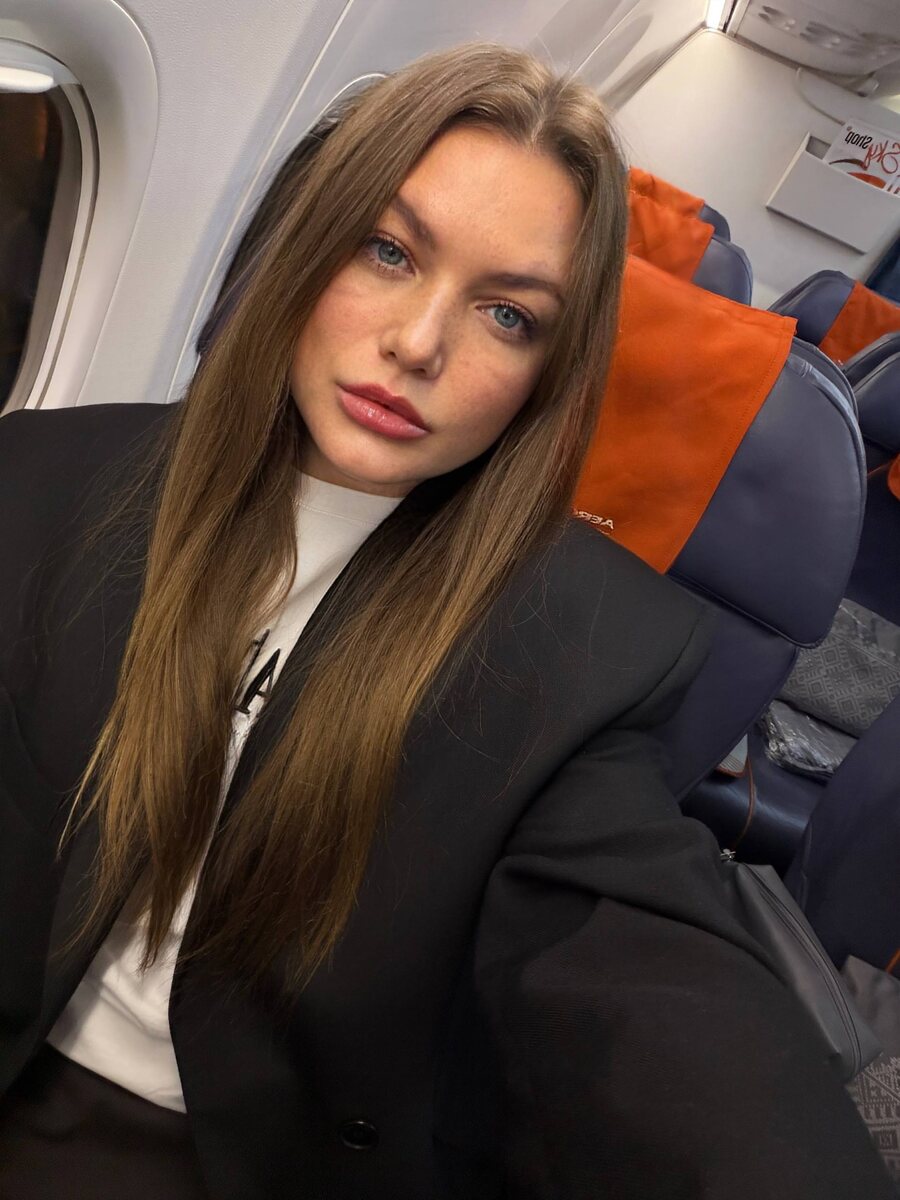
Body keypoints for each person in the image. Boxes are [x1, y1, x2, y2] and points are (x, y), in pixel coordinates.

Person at [0, 41, 893, 1200]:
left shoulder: (579, 646)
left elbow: (648, 975)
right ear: (306, 244)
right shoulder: (42, 478)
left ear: (546, 373)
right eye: (388, 251)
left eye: (508, 315)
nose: (418, 344)